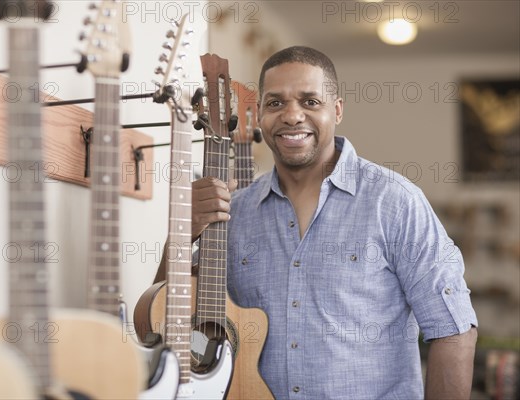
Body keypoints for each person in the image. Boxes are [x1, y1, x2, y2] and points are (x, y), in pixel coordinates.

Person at [155, 46, 478, 399]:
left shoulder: (396, 203)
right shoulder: (234, 213)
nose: (292, 116)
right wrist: (181, 234)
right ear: (260, 114)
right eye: (275, 103)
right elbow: (167, 319)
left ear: (336, 110)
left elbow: (453, 329)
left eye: (310, 101)